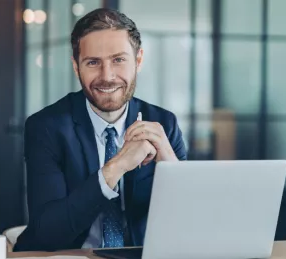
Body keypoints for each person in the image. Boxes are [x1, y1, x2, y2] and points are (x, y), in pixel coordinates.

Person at [14, 8, 187, 252]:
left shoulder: (164, 124)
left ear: (138, 60)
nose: (107, 77)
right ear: (76, 67)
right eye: (93, 62)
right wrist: (116, 167)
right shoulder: (46, 127)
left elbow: (189, 226)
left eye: (118, 60)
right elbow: (47, 234)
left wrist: (171, 166)